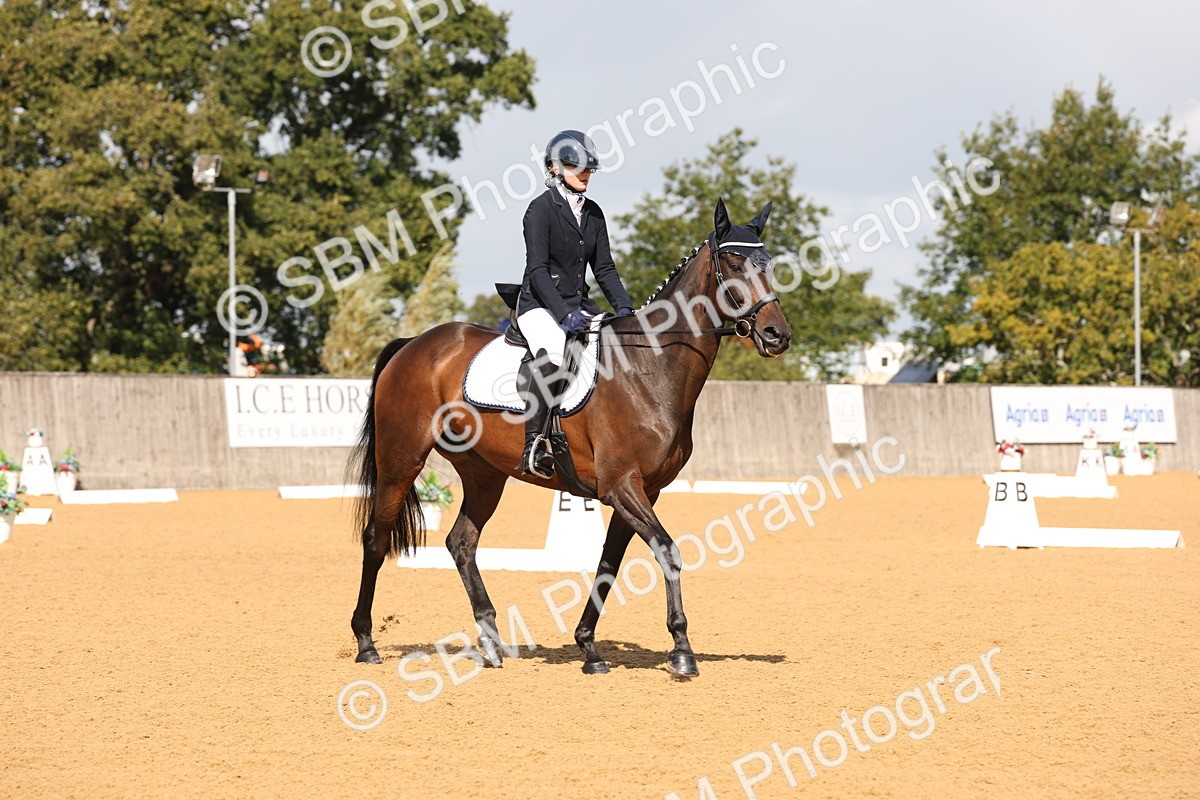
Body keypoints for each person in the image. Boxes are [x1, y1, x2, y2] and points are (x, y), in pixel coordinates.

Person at [514, 129, 635, 479]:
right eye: (575, 167)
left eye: (588, 169)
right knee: (553, 354)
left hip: (579, 304)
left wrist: (626, 311)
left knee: (614, 349)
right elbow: (537, 270)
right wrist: (563, 314)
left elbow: (605, 268)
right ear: (554, 168)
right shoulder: (540, 210)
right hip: (539, 304)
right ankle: (534, 444)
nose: (584, 174)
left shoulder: (593, 213)